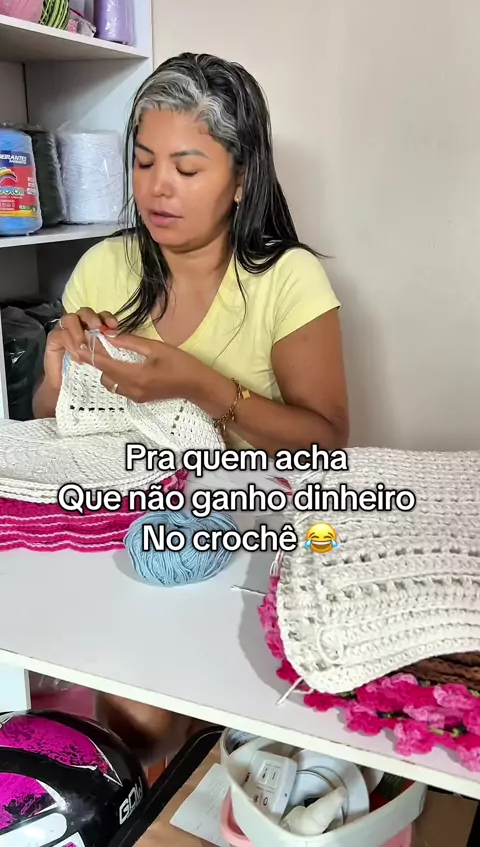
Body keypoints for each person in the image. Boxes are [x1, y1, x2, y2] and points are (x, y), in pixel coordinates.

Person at [33, 52, 349, 763]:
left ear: (241, 180)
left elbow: (326, 444)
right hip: (122, 537)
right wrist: (57, 370)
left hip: (254, 543)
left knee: (179, 718)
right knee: (131, 717)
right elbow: (56, 426)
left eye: (186, 167)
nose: (158, 188)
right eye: (144, 162)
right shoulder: (104, 267)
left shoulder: (287, 279)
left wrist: (200, 385)